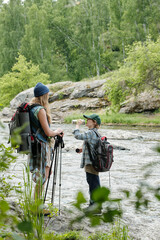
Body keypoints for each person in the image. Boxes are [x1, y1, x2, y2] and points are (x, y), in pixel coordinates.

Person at [29, 82, 64, 200]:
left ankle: (36, 204)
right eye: (47, 94)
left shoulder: (30, 108)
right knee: (44, 175)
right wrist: (58, 131)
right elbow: (48, 133)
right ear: (44, 95)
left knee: (43, 175)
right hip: (42, 146)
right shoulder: (40, 110)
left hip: (34, 145)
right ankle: (36, 206)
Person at [73, 114, 101, 208]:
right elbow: (92, 145)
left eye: (89, 119)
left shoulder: (91, 133)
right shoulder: (95, 133)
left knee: (93, 184)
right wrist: (82, 149)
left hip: (91, 163)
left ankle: (95, 207)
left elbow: (77, 136)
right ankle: (95, 205)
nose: (86, 121)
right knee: (94, 183)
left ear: (94, 122)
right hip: (94, 162)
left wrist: (77, 126)